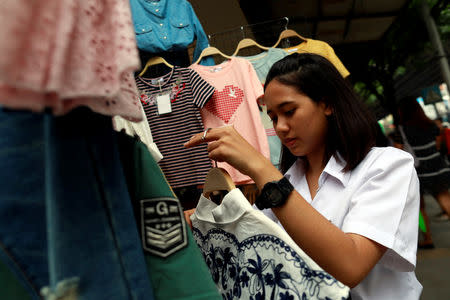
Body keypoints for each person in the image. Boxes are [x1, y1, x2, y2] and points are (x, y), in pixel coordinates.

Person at [184, 53, 422, 299]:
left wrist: (258, 165)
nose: (279, 127)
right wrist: (204, 219)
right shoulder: (286, 182)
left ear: (327, 104)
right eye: (273, 117)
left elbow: (351, 266)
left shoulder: (386, 166)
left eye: (289, 111)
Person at [398, 96, 450, 222]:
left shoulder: (404, 129)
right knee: (445, 196)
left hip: (426, 170)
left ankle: (427, 237)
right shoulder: (430, 124)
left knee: (441, 198)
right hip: (439, 164)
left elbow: (401, 150)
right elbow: (438, 143)